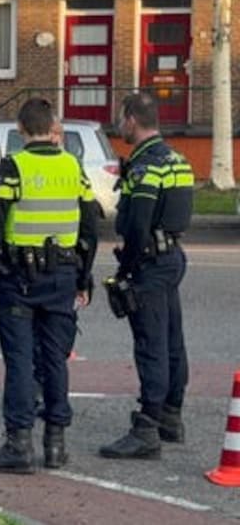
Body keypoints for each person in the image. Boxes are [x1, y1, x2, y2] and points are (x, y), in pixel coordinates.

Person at [0, 98, 98, 474]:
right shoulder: (74, 166)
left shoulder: (12, 168)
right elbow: (89, 226)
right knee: (55, 359)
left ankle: (18, 445)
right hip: (62, 277)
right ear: (52, 127)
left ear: (20, 130)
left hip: (19, 280)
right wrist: (84, 278)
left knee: (21, 361)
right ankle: (55, 445)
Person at [99, 92, 194, 460]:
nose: (119, 125)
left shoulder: (144, 167)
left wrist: (126, 269)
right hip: (171, 256)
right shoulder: (178, 160)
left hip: (150, 263)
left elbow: (137, 223)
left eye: (121, 119)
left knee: (150, 343)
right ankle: (172, 415)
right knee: (172, 338)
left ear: (132, 121)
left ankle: (147, 428)